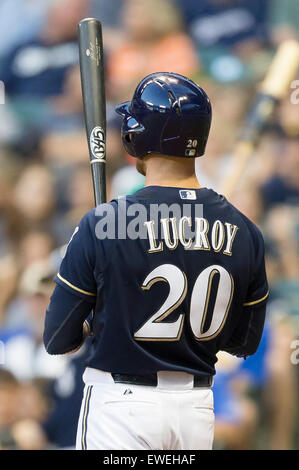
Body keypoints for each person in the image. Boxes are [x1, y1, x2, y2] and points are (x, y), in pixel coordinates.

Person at [43, 72, 269, 450]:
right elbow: (244, 342)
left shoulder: (105, 223)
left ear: (136, 136)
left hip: (121, 406)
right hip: (196, 409)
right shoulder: (245, 229)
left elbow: (56, 338)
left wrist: (99, 318)